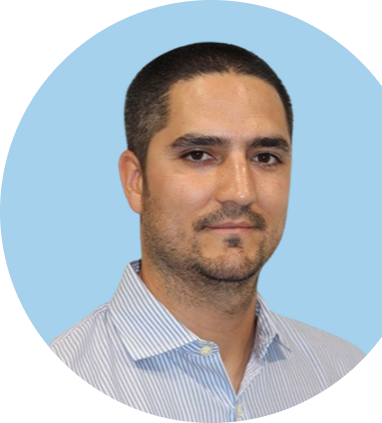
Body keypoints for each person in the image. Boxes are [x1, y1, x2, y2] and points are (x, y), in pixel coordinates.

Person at [50, 42, 365, 421]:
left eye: (265, 157)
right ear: (136, 181)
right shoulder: (76, 366)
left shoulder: (338, 368)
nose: (241, 192)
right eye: (198, 155)